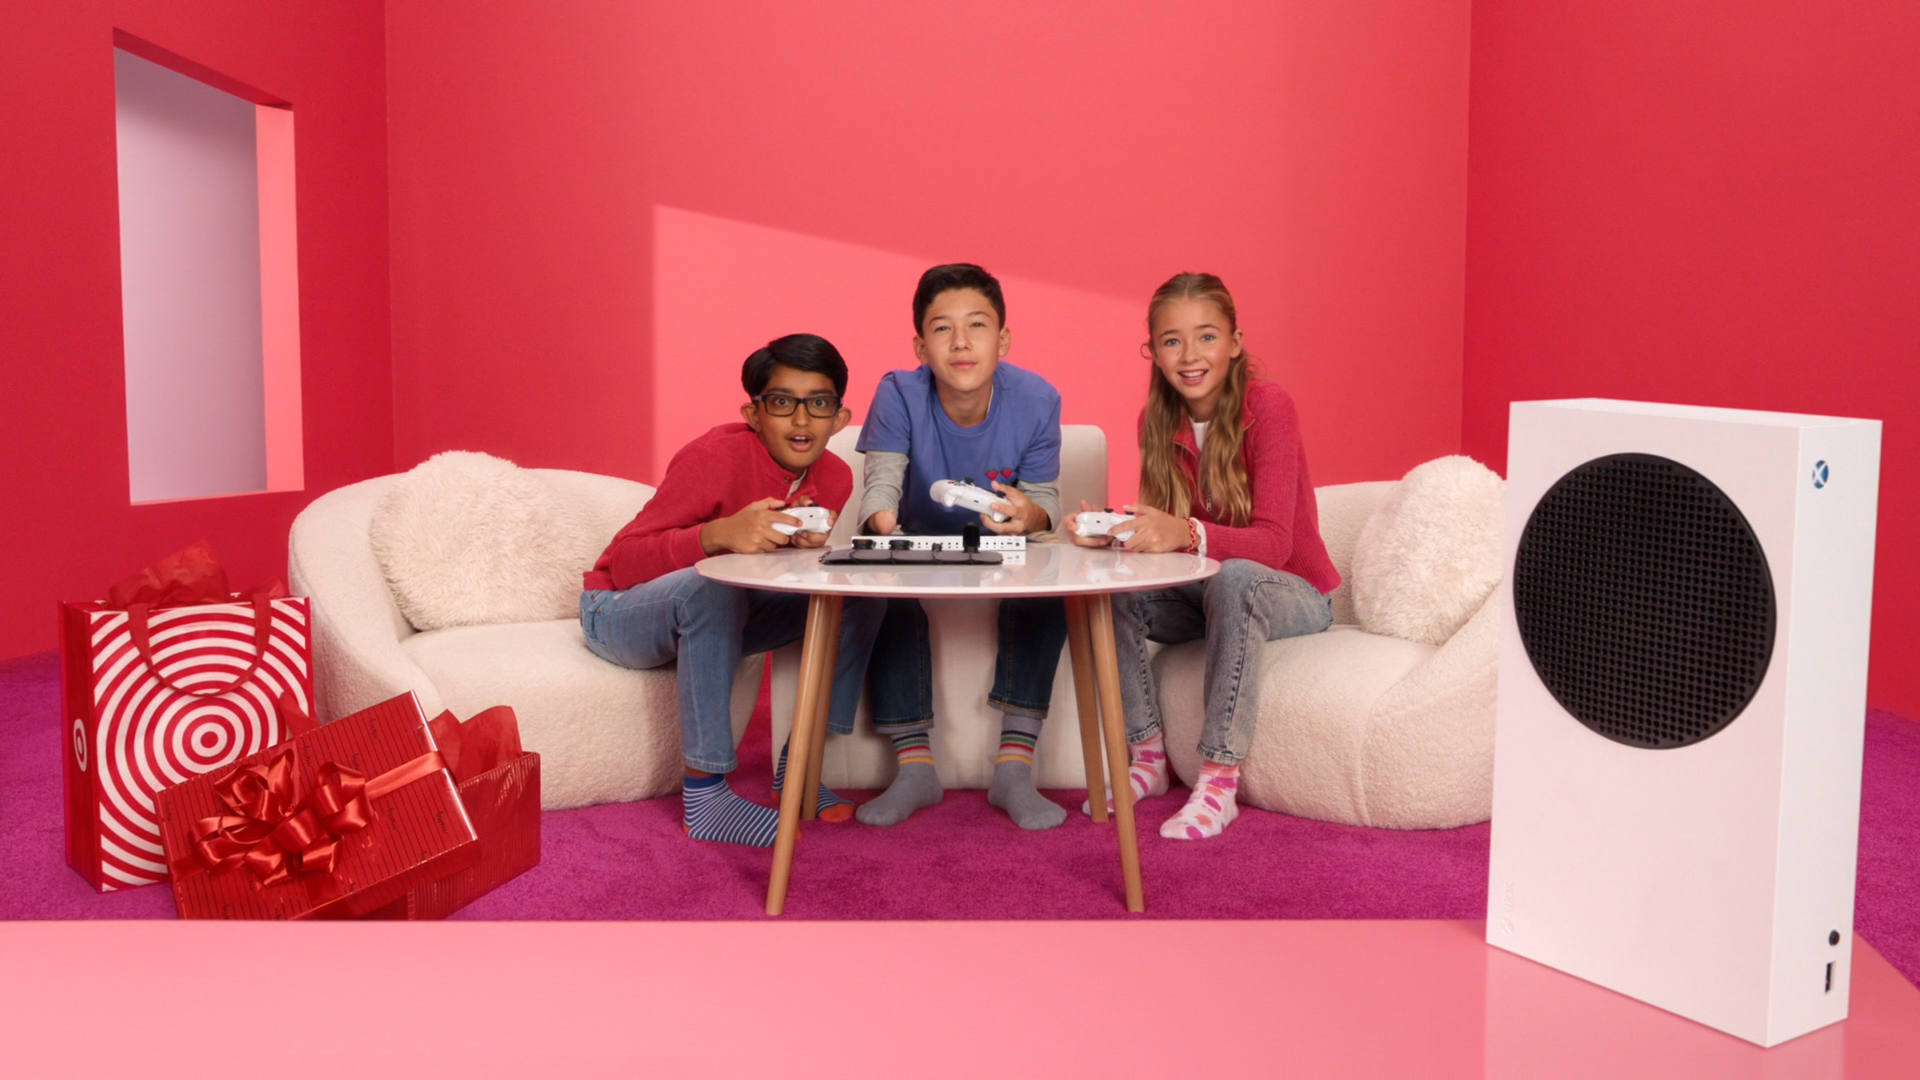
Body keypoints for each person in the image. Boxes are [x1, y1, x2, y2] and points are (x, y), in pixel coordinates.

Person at [580, 334, 884, 846]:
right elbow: (626, 561)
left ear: (840, 417)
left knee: (860, 590)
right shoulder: (713, 457)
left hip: (721, 616)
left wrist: (801, 549)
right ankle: (706, 798)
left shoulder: (834, 476)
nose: (802, 420)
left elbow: (768, 573)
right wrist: (717, 534)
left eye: (819, 403)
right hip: (617, 612)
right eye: (782, 403)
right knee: (712, 585)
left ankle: (801, 767)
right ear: (753, 414)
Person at [1066, 272, 1339, 839]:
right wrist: (1118, 536)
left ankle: (1218, 780)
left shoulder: (1270, 407)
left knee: (1236, 578)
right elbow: (1167, 547)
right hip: (1210, 593)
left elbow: (1274, 544)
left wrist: (1185, 534)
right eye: (1172, 341)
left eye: (1206, 337)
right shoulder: (1156, 421)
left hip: (1290, 594)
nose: (1190, 355)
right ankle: (1147, 758)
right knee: (1110, 587)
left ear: (1235, 343)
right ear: (1153, 351)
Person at [854, 263, 1071, 830]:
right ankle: (915, 767)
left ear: (1003, 339)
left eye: (977, 325)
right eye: (942, 328)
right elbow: (882, 482)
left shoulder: (1038, 398)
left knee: (1050, 584)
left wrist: (1029, 515)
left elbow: (1044, 501)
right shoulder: (898, 391)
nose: (961, 342)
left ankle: (1014, 769)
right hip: (915, 540)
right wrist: (880, 524)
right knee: (878, 587)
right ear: (920, 346)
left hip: (1002, 545)